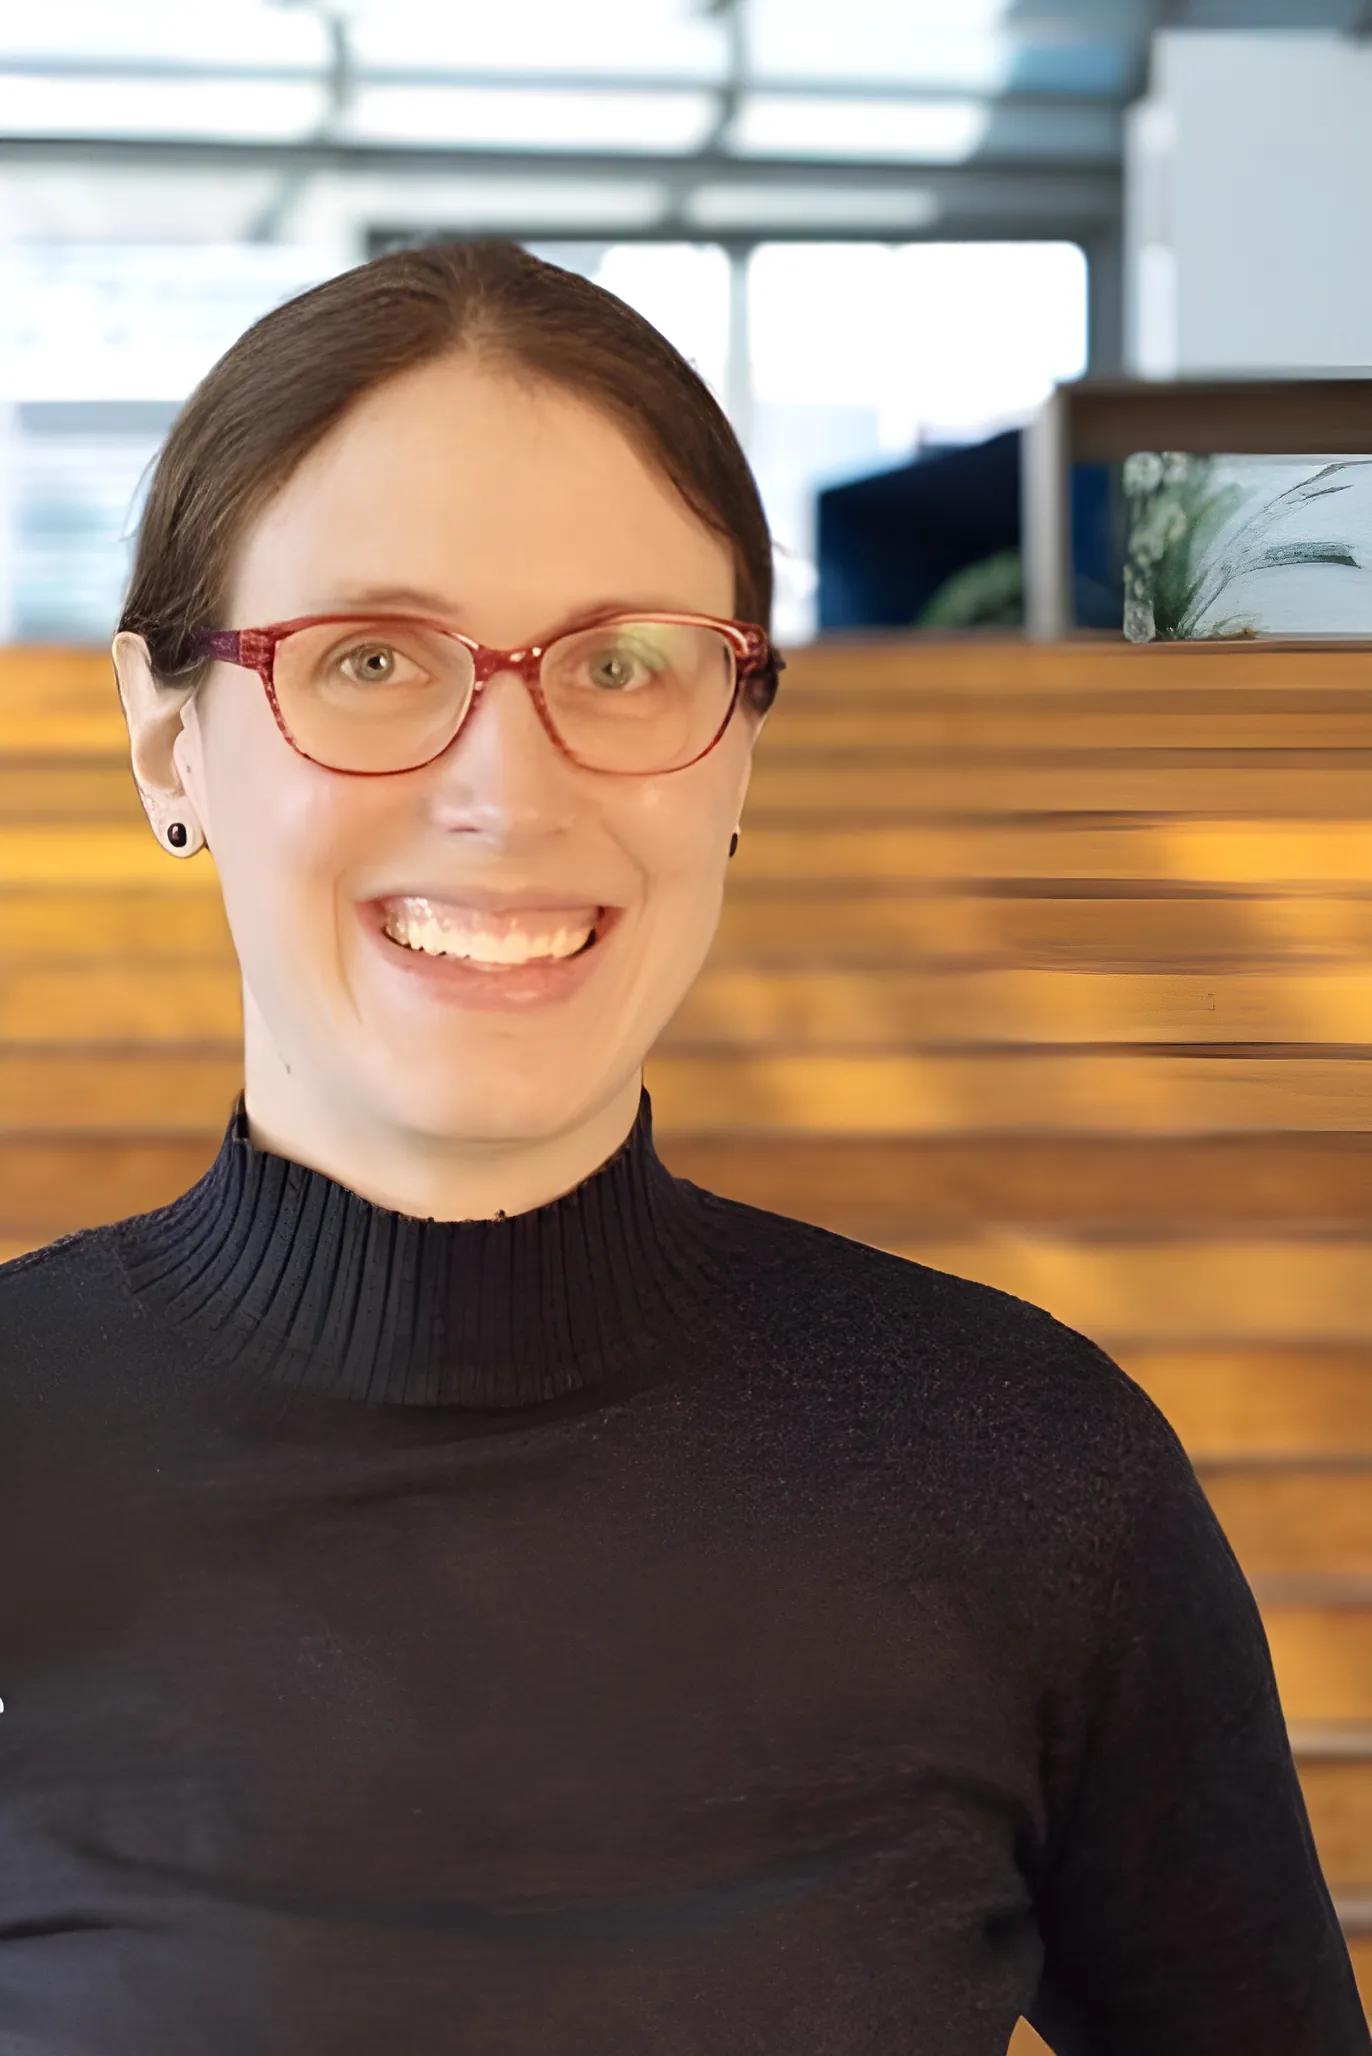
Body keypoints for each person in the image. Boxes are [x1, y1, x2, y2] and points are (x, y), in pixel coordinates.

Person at [0, 238, 1365, 2056]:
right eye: (374, 657)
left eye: (629, 664)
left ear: (739, 753)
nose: (508, 789)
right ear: (170, 740)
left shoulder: (1029, 1471)